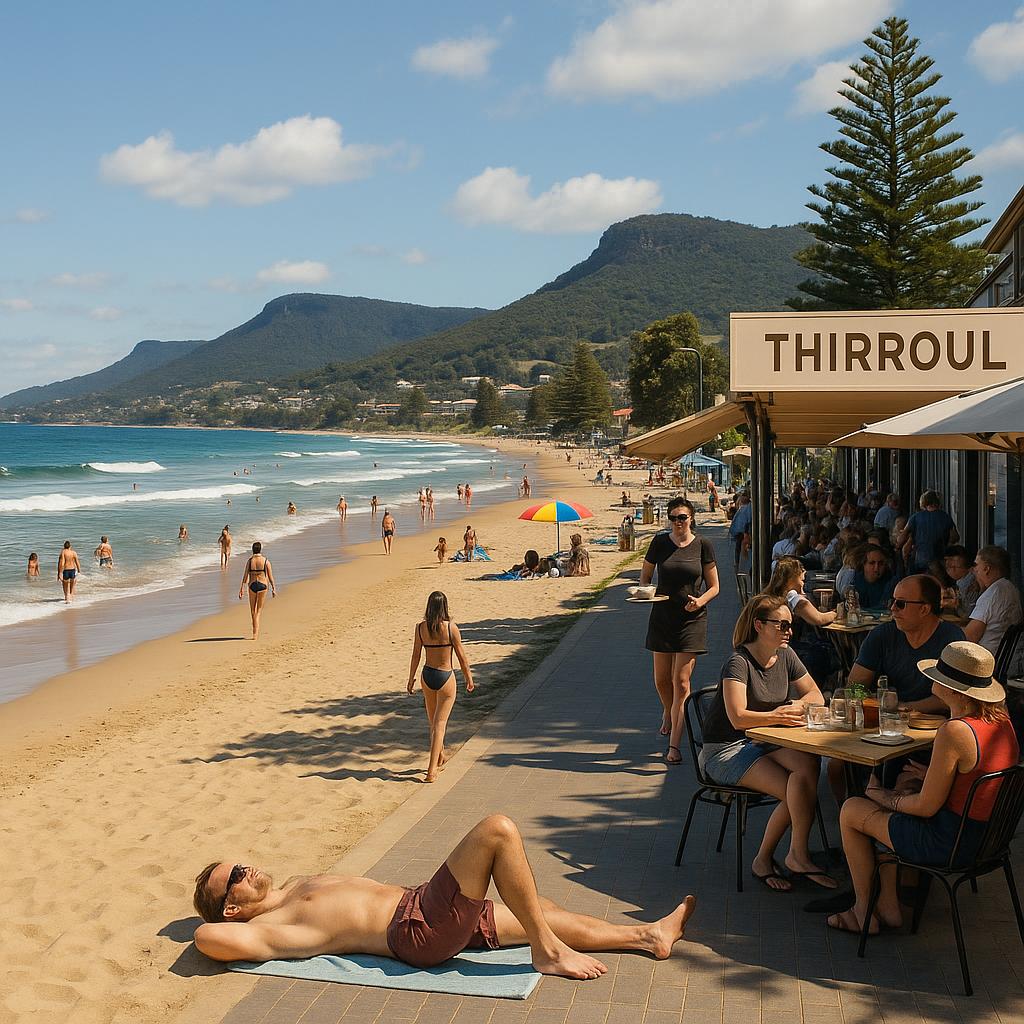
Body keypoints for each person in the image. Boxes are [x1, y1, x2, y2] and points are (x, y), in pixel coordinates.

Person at [192, 814, 697, 977]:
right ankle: (546, 953)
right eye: (234, 874)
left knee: (540, 910)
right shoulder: (269, 927)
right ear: (232, 906)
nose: (245, 866)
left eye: (238, 861)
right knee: (497, 831)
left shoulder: (297, 886)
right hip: (414, 930)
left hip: (423, 910)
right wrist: (209, 923)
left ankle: (647, 936)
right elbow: (208, 938)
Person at [828, 641, 1019, 935]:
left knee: (852, 809)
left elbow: (926, 807)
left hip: (951, 844)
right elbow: (976, 776)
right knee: (905, 784)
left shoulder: (955, 730)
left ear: (955, 691)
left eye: (940, 675)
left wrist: (884, 797)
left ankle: (862, 911)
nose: (933, 678)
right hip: (989, 840)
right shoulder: (1002, 721)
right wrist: (923, 779)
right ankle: (888, 905)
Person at [698, 594, 834, 891]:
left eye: (790, 625)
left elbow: (815, 695)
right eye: (782, 625)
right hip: (727, 749)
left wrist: (795, 707)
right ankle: (767, 859)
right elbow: (738, 718)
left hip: (765, 741)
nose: (789, 631)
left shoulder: (785, 655)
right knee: (796, 790)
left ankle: (796, 854)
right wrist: (776, 715)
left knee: (809, 763)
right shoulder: (739, 662)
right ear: (759, 626)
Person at [639, 496, 720, 762]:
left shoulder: (703, 545)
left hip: (692, 620)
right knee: (661, 680)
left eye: (682, 517)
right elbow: (645, 576)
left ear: (691, 518)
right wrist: (646, 592)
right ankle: (669, 709)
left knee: (681, 682)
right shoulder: (660, 543)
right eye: (673, 518)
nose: (677, 522)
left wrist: (700, 601)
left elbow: (715, 587)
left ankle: (674, 746)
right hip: (662, 617)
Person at [848, 574, 964, 711]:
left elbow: (953, 698)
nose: (893, 608)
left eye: (901, 603)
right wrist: (869, 703)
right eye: (892, 601)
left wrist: (902, 708)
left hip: (936, 721)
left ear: (924, 609)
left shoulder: (953, 641)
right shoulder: (881, 635)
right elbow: (854, 686)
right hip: (887, 718)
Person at [407, 591, 475, 782]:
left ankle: (440, 756)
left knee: (433, 723)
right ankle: (431, 770)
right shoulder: (451, 628)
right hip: (445, 676)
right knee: (440, 724)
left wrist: (411, 678)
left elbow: (415, 655)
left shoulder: (420, 628)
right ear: (445, 606)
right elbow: (461, 656)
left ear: (429, 606)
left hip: (427, 675)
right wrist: (468, 678)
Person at [760, 557, 836, 683]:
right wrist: (835, 613)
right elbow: (819, 619)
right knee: (826, 654)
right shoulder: (794, 598)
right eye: (802, 580)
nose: (803, 584)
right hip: (791, 647)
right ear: (792, 578)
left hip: (769, 645)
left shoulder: (769, 595)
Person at [965, 545, 1023, 657]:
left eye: (976, 565)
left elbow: (969, 637)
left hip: (987, 660)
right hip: (1008, 658)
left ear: (986, 569)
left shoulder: (992, 595)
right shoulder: (1012, 589)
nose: (974, 570)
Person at [897, 490, 958, 572]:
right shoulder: (946, 517)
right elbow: (955, 538)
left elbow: (900, 540)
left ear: (923, 503)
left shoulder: (915, 517)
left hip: (920, 561)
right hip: (940, 561)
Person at [239, 542, 276, 640]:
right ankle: (255, 633)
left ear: (253, 550)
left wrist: (242, 588)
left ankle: (254, 631)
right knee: (258, 611)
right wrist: (273, 588)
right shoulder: (265, 561)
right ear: (260, 550)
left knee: (252, 611)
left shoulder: (250, 561)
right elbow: (270, 577)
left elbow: (245, 576)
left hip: (252, 585)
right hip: (263, 585)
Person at [944, 545, 978, 615]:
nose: (948, 569)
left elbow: (968, 614)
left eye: (950, 566)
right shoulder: (961, 581)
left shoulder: (969, 583)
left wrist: (955, 605)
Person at [729, 492, 752, 569]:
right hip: (745, 532)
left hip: (743, 533)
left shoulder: (743, 510)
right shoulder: (748, 509)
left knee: (739, 547)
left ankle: (738, 564)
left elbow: (738, 524)